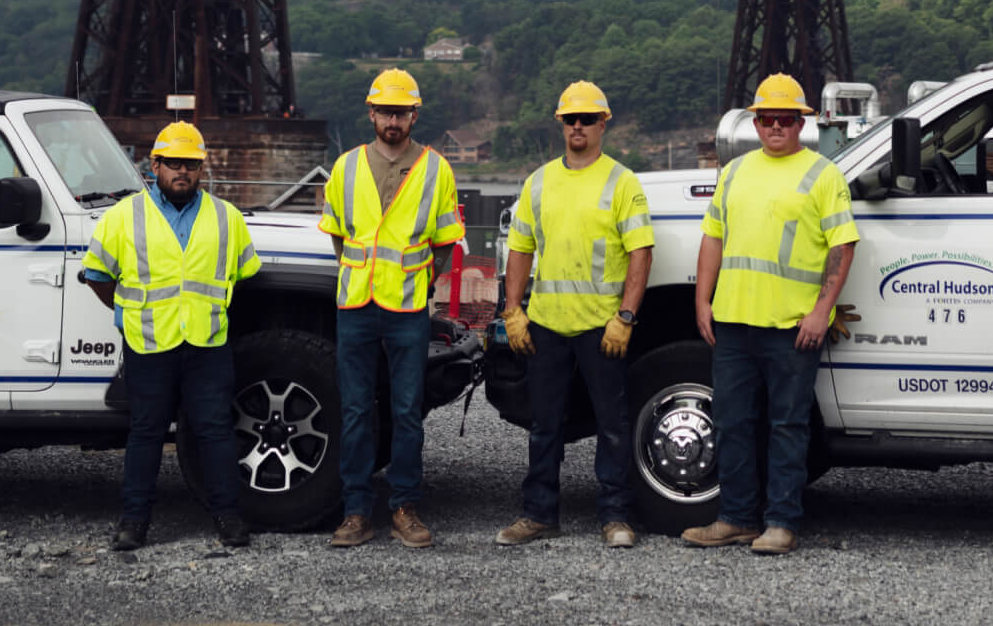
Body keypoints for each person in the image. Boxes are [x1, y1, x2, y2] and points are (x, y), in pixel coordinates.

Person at [681, 74, 858, 556]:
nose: (776, 126)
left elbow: (844, 246)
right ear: (755, 124)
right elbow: (713, 236)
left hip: (791, 327)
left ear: (801, 122)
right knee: (732, 423)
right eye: (767, 118)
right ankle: (736, 518)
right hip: (734, 323)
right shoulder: (736, 172)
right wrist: (703, 299)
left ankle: (781, 521)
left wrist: (821, 311)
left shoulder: (822, 174)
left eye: (786, 118)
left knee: (787, 426)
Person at [80, 122, 263, 552]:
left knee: (215, 431)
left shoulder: (227, 217)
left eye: (191, 164)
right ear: (154, 166)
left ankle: (228, 516)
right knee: (146, 433)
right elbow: (97, 275)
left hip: (207, 343)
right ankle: (134, 521)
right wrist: (127, 314)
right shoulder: (123, 217)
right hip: (149, 344)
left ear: (201, 168)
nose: (183, 171)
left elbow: (243, 276)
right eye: (174, 163)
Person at [494, 81, 655, 549]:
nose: (578, 126)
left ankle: (615, 516)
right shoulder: (539, 181)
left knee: (612, 424)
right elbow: (521, 249)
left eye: (587, 119)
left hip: (602, 327)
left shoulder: (622, 182)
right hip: (547, 324)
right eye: (571, 120)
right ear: (561, 124)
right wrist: (513, 311)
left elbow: (641, 252)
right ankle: (538, 513)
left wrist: (625, 317)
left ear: (604, 123)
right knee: (545, 425)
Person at [318, 68, 464, 549]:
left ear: (414, 114)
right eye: (386, 112)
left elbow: (444, 243)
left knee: (406, 411)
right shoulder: (346, 167)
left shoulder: (436, 169)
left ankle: (404, 506)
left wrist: (416, 283)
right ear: (372, 113)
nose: (393, 121)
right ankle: (356, 511)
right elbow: (340, 236)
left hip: (406, 308)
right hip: (356, 305)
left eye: (401, 113)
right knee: (356, 410)